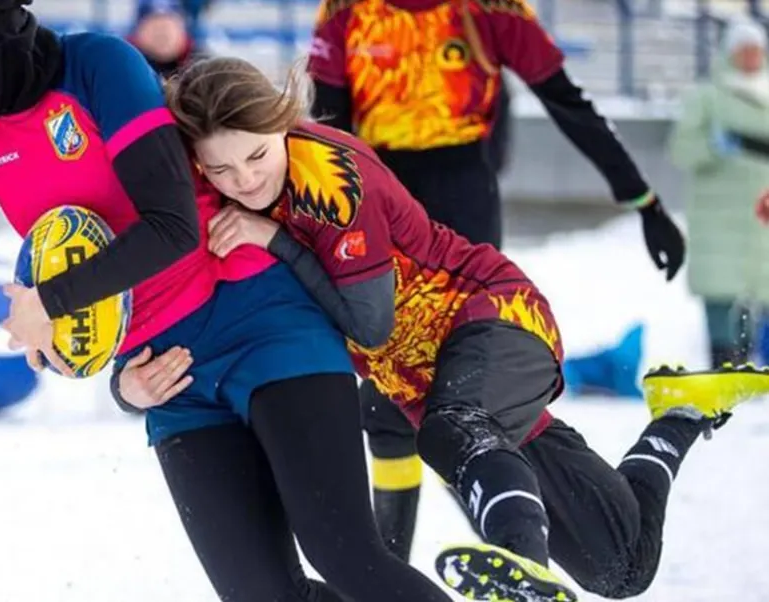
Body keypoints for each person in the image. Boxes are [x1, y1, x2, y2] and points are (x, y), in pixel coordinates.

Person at [118, 56, 769, 602]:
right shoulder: (228, 182)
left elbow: (370, 326)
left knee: (450, 430)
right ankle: (679, 414)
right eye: (220, 170)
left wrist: (276, 242)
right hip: (429, 380)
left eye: (257, 156)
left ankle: (523, 576)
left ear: (281, 124)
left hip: (491, 316)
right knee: (619, 567)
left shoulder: (332, 179)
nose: (244, 180)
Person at [0, 2, 452, 600]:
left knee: (345, 555)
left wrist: (50, 301)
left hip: (263, 322)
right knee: (263, 595)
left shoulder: (97, 66)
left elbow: (172, 227)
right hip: (165, 376)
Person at [307, 0, 688, 565]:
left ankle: (516, 550)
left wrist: (642, 199)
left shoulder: (488, 7)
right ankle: (392, 573)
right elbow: (326, 127)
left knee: (456, 396)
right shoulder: (346, 11)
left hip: (462, 191)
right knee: (386, 401)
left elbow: (564, 99)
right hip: (378, 190)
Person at [668, 16, 769, 368]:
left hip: (761, 218)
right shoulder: (708, 97)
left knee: (759, 295)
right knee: (722, 300)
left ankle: (753, 368)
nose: (750, 57)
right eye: (743, 50)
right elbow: (681, 150)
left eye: (756, 50)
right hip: (718, 220)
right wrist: (713, 147)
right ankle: (724, 367)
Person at [127, 0, 201, 79]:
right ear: (139, 31)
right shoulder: (127, 62)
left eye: (168, 26)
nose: (162, 33)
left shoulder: (201, 62)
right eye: (155, 27)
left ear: (182, 29)